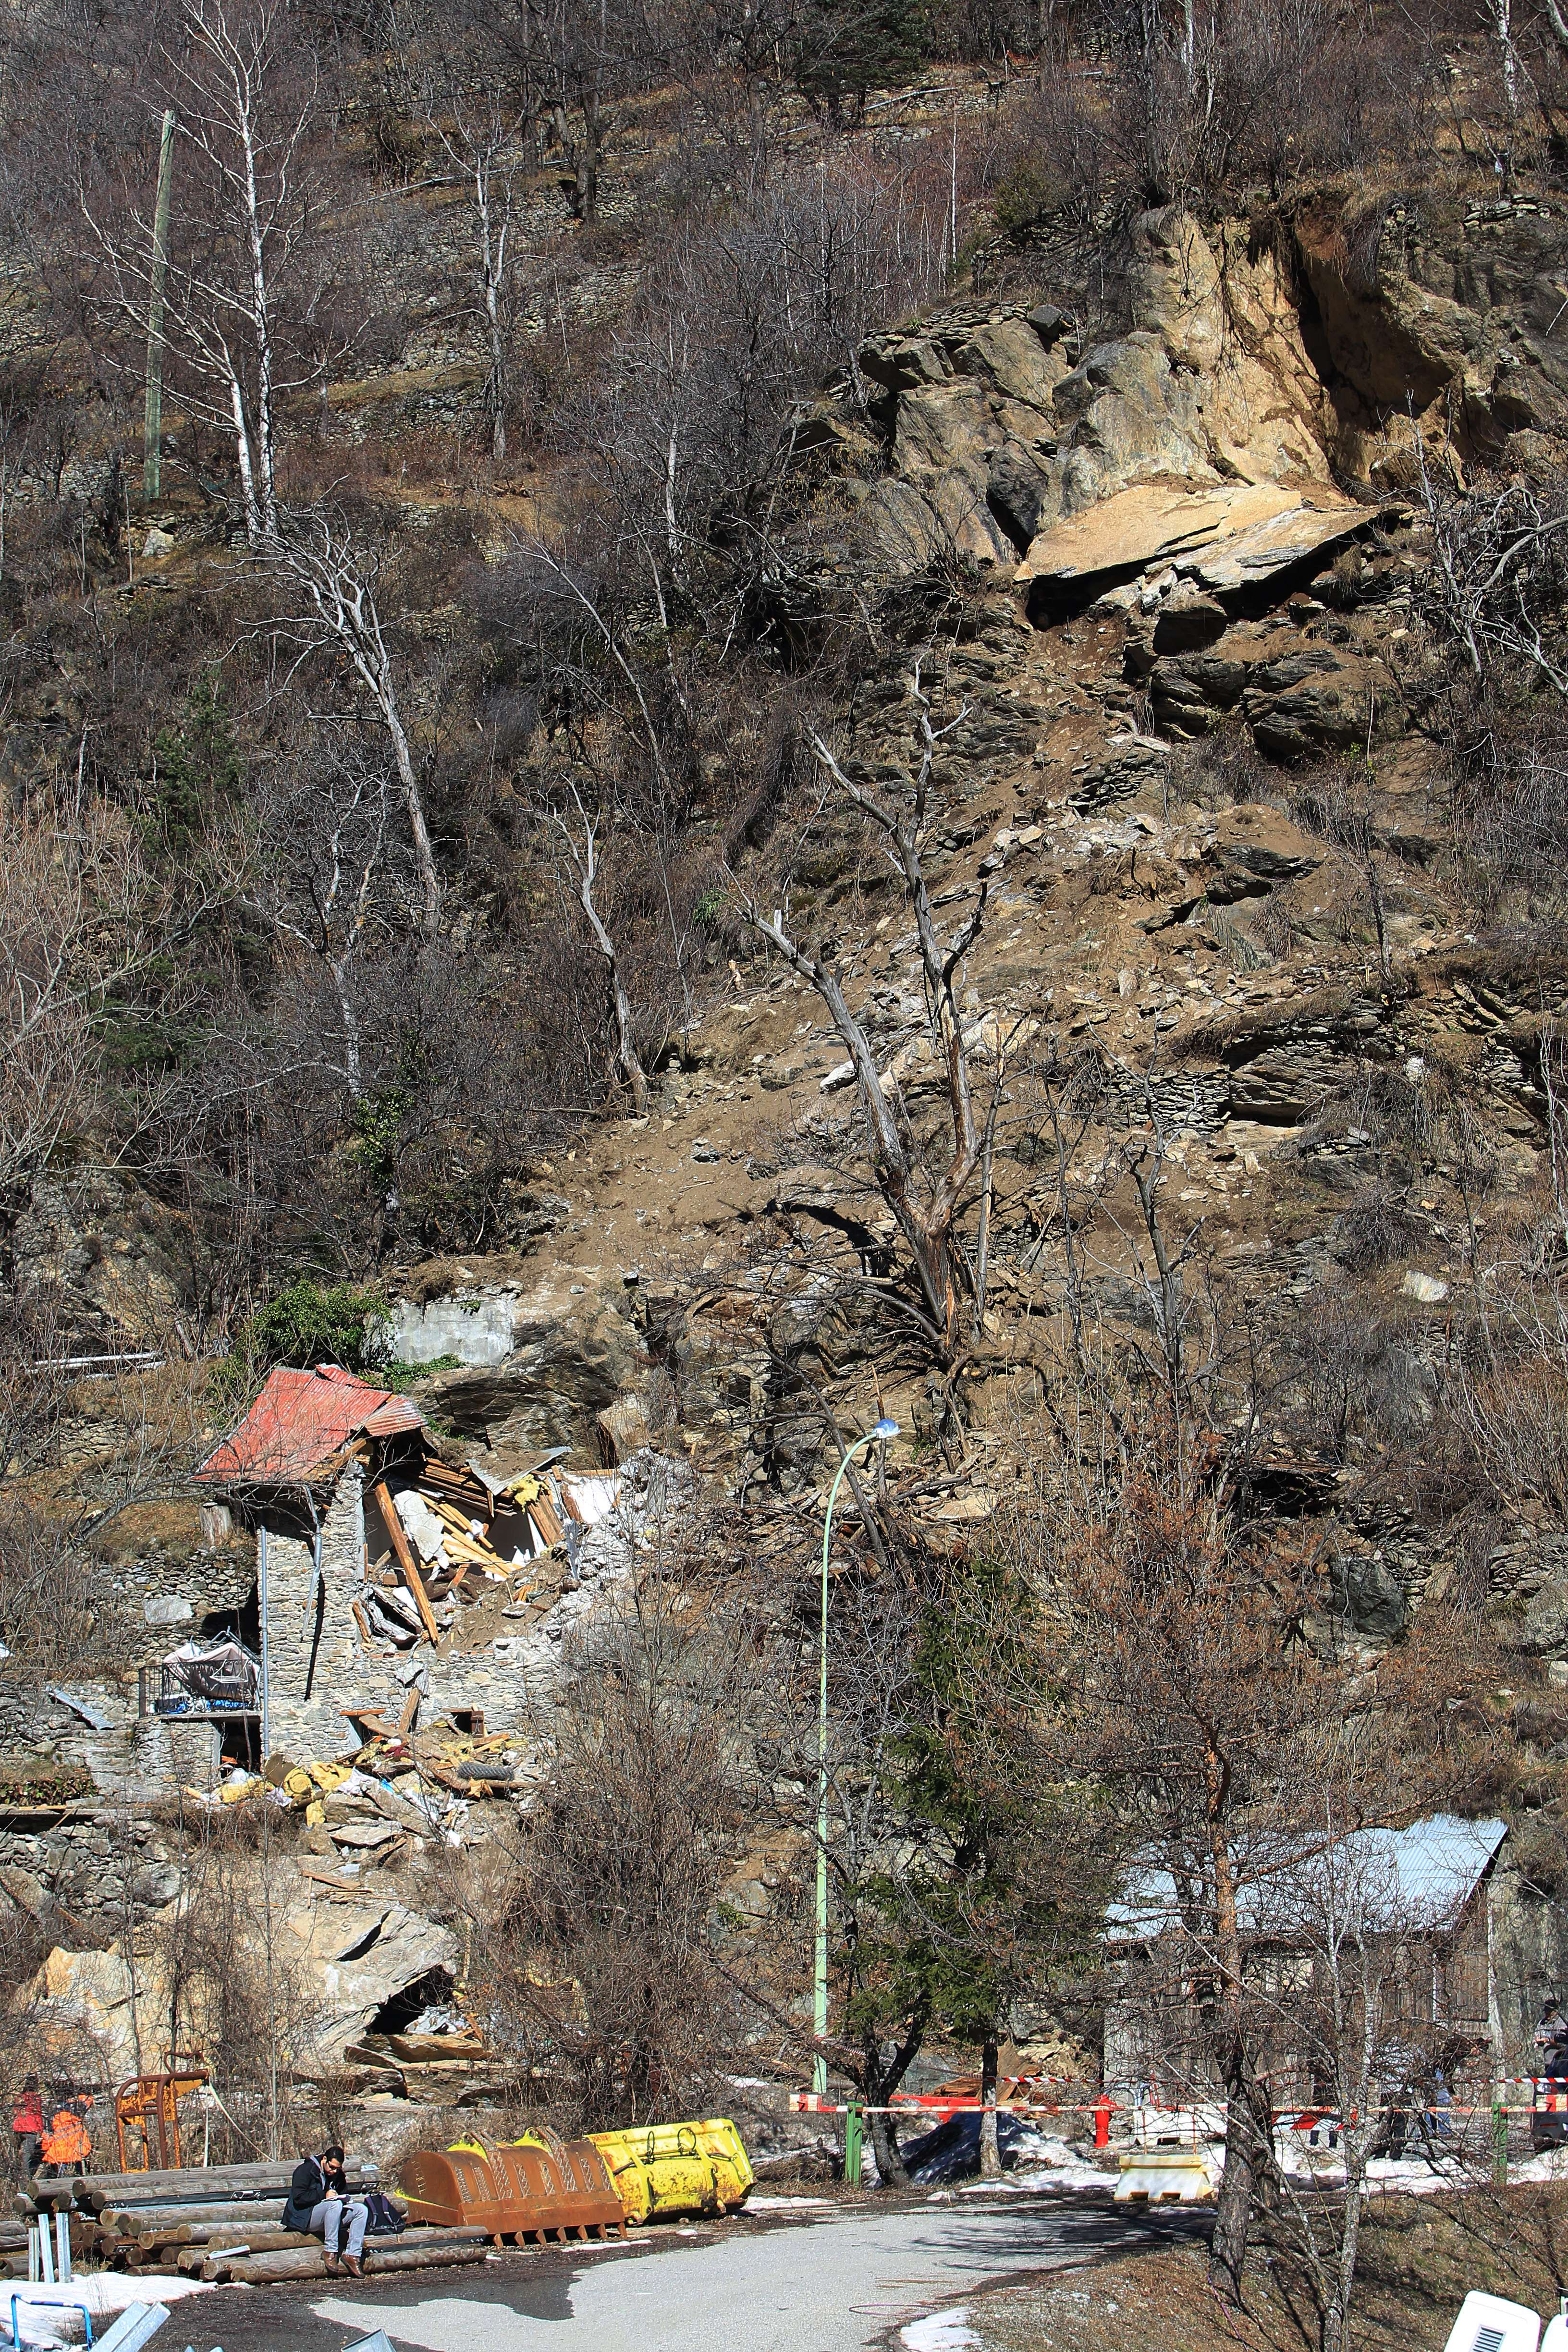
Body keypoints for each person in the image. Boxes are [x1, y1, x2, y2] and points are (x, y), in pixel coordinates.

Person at [282, 2143, 368, 2277]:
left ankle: (353, 2254)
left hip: (330, 2216)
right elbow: (299, 2198)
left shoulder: (337, 2174)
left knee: (361, 2209)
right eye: (332, 2167)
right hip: (304, 2217)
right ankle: (330, 2251)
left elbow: (342, 2192)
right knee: (335, 2205)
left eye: (338, 2168)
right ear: (324, 2160)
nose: (334, 2171)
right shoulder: (305, 2171)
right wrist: (324, 2195)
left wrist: (342, 2198)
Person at [39, 2090, 91, 2176]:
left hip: (59, 2153)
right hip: (77, 2152)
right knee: (80, 2173)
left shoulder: (53, 2118)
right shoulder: (77, 2118)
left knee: (60, 2176)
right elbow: (88, 2100)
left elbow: (48, 2137)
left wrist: (46, 2148)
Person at [11, 2077, 41, 2180]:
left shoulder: (19, 2098)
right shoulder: (36, 2099)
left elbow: (15, 2112)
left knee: (16, 2153)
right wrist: (40, 2129)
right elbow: (38, 2115)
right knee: (27, 2156)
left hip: (18, 2128)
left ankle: (14, 2175)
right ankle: (26, 2179)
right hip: (31, 2129)